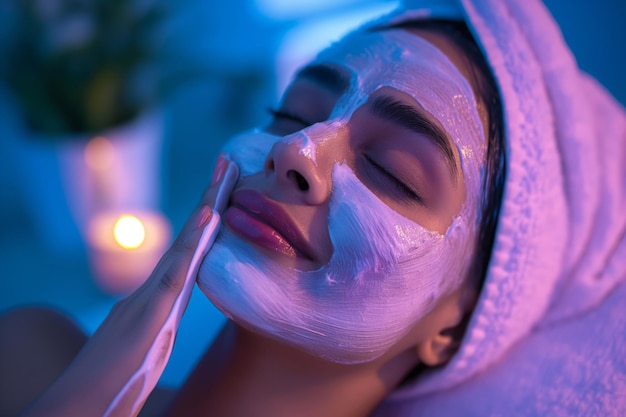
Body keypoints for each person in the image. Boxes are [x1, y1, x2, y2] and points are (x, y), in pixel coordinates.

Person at [1, 0, 625, 416]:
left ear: (454, 327)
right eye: (292, 113)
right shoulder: (27, 356)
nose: (296, 149)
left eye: (393, 173)